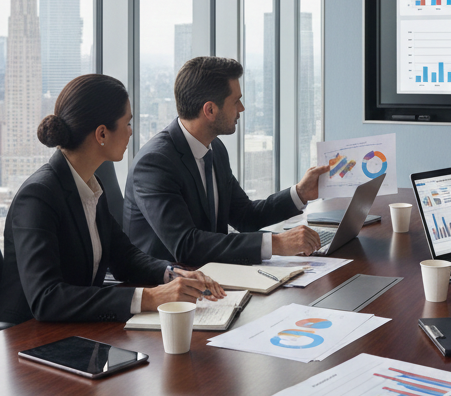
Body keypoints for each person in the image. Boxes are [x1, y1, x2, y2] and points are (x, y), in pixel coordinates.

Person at [0, 74, 225, 324]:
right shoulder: (38, 197)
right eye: (127, 124)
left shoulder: (91, 185)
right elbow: (47, 298)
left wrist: (173, 275)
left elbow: (124, 257)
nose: (131, 133)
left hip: (74, 330)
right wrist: (149, 298)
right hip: (21, 338)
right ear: (102, 133)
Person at [123, 56, 330, 266]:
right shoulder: (155, 163)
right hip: (166, 286)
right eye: (236, 101)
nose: (242, 108)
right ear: (210, 110)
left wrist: (300, 193)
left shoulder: (215, 148)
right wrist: (275, 244)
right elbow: (186, 245)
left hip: (209, 275)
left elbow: (245, 216)